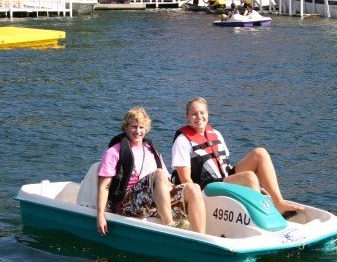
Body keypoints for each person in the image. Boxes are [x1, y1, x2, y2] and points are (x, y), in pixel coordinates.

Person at [171, 97, 305, 216]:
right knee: (249, 177)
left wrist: (249, 185)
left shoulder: (215, 133)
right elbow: (185, 179)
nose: (199, 117)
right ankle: (262, 216)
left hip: (223, 178)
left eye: (202, 113)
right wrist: (197, 204)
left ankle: (279, 203)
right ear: (187, 117)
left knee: (260, 153)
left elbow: (225, 165)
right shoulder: (182, 141)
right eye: (194, 114)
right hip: (206, 188)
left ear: (208, 114)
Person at [96, 107, 206, 236]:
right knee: (158, 173)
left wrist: (180, 193)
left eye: (141, 127)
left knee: (193, 188)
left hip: (153, 202)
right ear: (125, 127)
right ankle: (169, 225)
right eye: (134, 126)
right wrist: (100, 215)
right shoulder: (114, 152)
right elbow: (104, 187)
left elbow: (166, 181)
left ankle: (201, 238)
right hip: (128, 204)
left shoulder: (151, 150)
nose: (138, 131)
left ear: (146, 129)